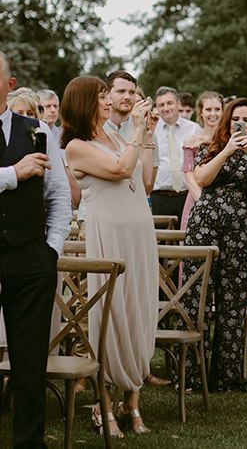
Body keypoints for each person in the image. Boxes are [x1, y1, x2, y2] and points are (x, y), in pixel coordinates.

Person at [62, 76, 158, 436]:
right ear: (84, 103)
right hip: (110, 236)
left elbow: (144, 179)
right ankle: (103, 405)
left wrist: (145, 134)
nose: (108, 101)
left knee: (139, 309)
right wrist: (135, 130)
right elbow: (119, 170)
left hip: (139, 232)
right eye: (102, 96)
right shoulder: (76, 146)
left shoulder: (119, 137)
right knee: (112, 315)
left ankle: (132, 401)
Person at [0, 52, 71, 448]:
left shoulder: (38, 131)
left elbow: (59, 194)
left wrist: (52, 249)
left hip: (30, 255)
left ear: (10, 86)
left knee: (29, 361)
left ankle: (29, 442)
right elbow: (19, 175)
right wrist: (13, 174)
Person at [182, 97, 247, 391]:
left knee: (232, 301)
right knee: (198, 296)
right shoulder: (210, 147)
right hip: (206, 224)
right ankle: (193, 376)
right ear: (227, 121)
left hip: (240, 230)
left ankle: (226, 376)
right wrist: (228, 150)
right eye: (237, 119)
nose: (241, 124)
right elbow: (203, 179)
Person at [151, 86, 201, 226]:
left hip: (187, 194)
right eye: (161, 105)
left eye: (169, 103)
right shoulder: (151, 130)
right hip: (159, 196)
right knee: (160, 242)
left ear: (178, 104)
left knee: (186, 240)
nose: (165, 108)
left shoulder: (194, 129)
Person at [104, 71, 158, 194]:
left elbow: (147, 186)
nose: (127, 97)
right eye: (121, 91)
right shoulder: (96, 128)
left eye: (132, 92)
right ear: (107, 94)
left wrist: (146, 136)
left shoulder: (147, 130)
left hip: (135, 204)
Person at [180, 91, 224, 231]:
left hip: (224, 201)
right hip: (196, 200)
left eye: (217, 109)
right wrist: (203, 202)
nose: (213, 114)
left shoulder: (228, 142)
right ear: (201, 113)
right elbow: (188, 176)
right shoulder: (191, 141)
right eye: (208, 109)